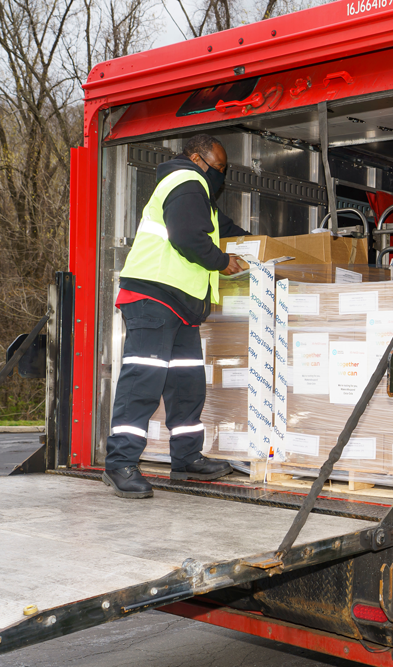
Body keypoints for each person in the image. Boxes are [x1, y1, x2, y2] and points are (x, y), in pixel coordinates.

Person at [103, 133, 249, 499]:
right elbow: (186, 236)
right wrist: (222, 261)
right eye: (218, 168)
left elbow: (228, 231)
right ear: (198, 159)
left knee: (186, 385)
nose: (221, 176)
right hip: (154, 298)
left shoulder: (199, 196)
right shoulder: (186, 182)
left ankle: (186, 459)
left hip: (181, 306)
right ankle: (120, 462)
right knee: (143, 382)